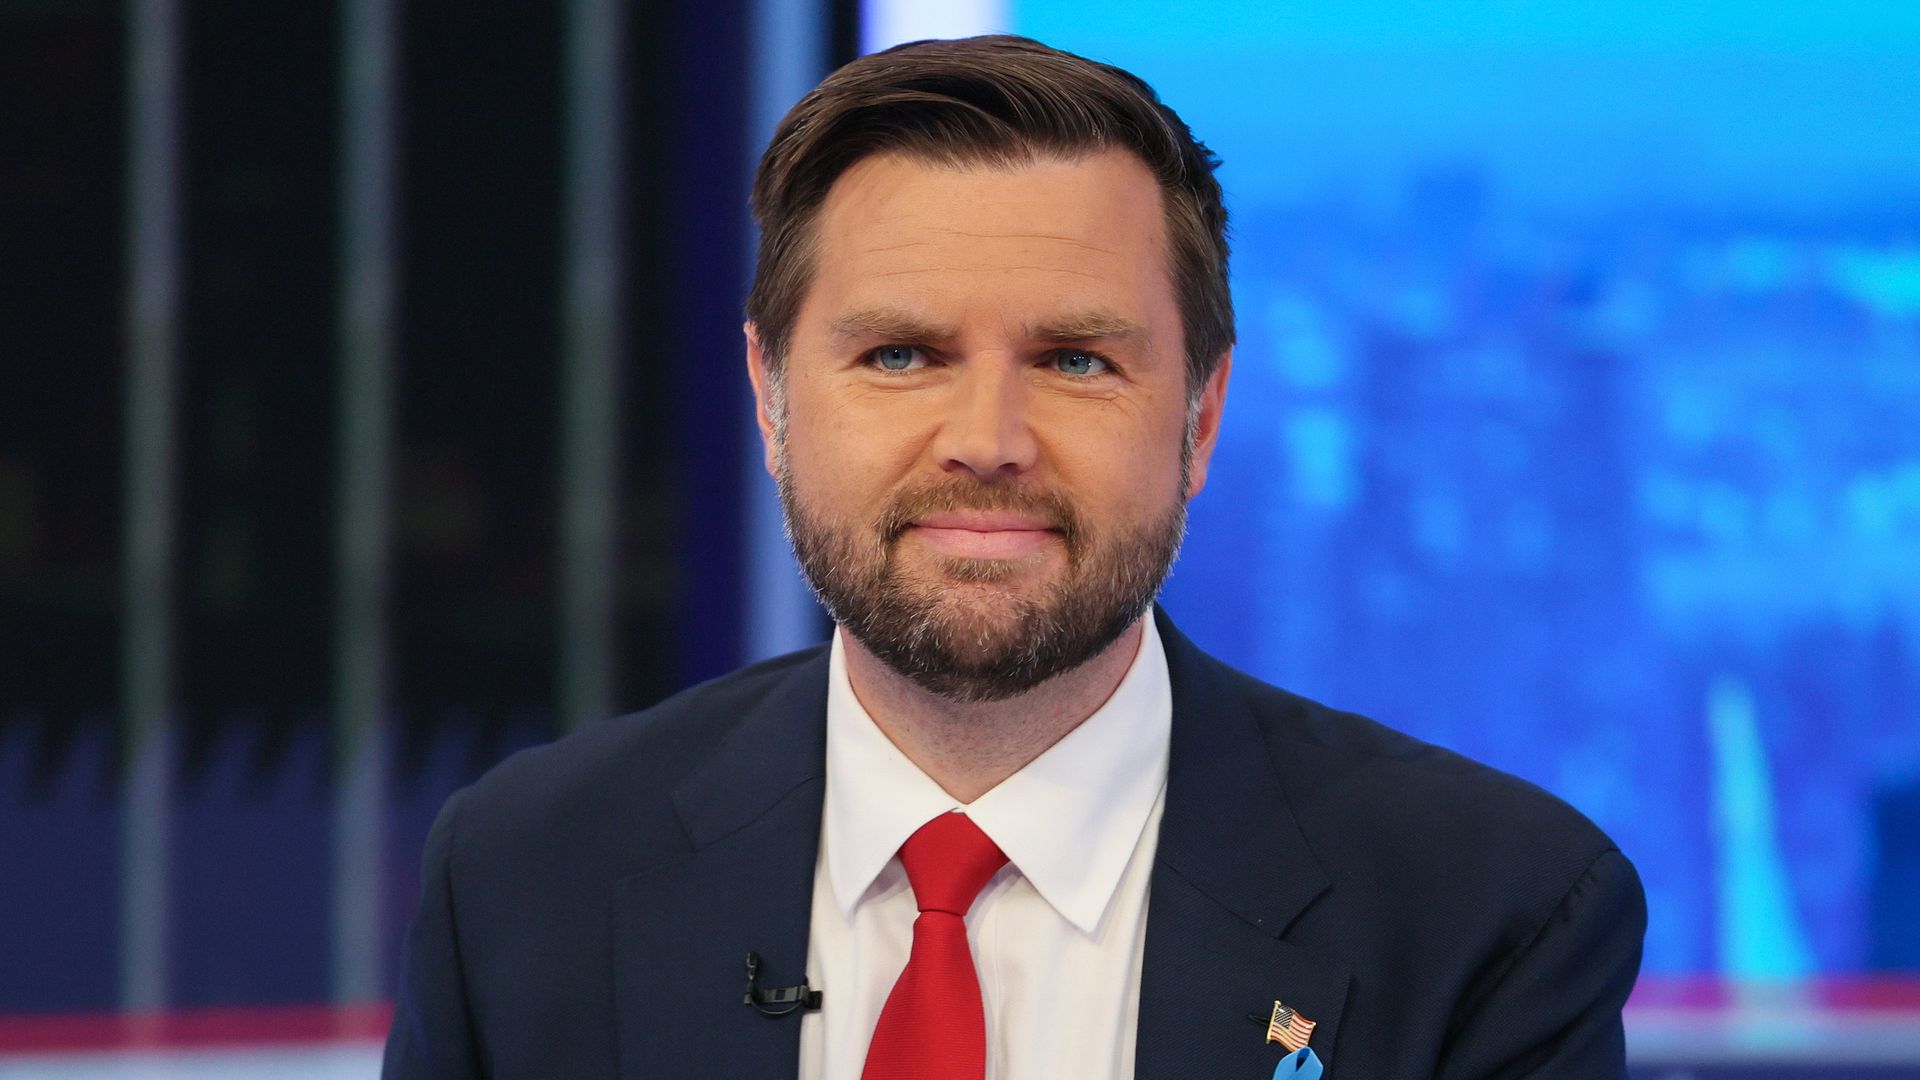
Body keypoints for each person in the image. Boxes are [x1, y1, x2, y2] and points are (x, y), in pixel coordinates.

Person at [383, 35, 1644, 1080]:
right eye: (901, 356)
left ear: (1200, 417)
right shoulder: (522, 879)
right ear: (771, 400)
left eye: (1076, 361)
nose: (986, 443)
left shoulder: (1495, 912)